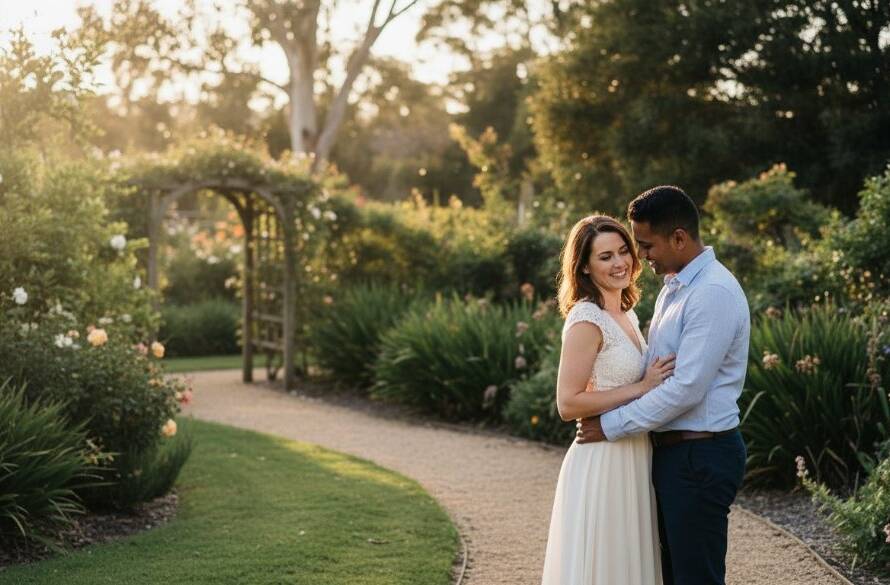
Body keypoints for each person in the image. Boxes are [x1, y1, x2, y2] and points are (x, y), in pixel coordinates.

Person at [576, 186, 750, 585]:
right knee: (670, 575)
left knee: (696, 577)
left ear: (678, 238)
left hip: (700, 456)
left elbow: (685, 389)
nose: (641, 256)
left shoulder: (712, 293)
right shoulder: (676, 289)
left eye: (646, 245)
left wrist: (610, 425)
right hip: (675, 454)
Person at [541, 214, 675, 585]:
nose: (620, 263)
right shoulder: (587, 319)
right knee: (606, 565)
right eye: (605, 257)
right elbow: (568, 403)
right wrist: (642, 387)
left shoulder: (626, 313)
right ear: (584, 265)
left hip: (634, 453)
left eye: (623, 252)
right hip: (602, 459)